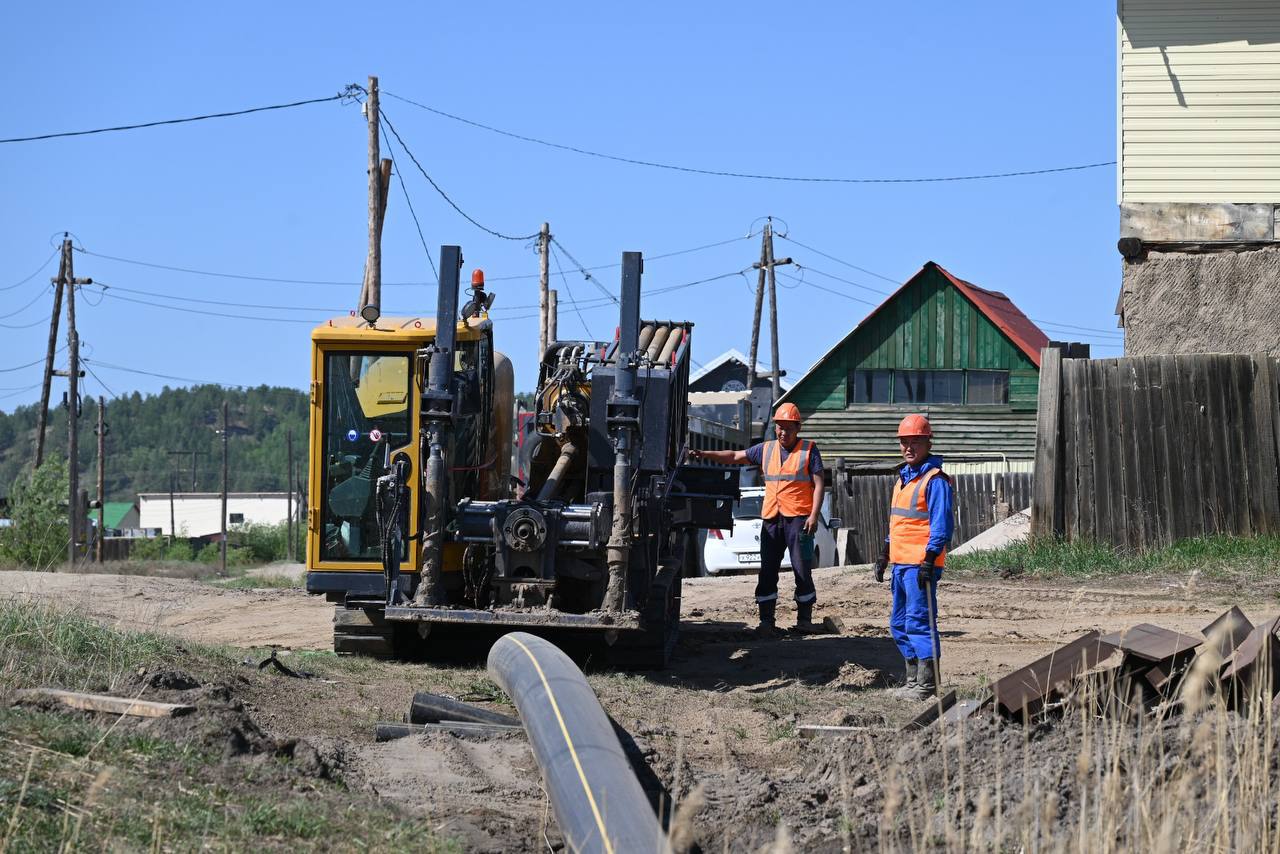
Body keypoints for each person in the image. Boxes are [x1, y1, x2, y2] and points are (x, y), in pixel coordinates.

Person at [689, 402, 825, 635]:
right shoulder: (766, 449)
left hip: (799, 520)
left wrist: (814, 515)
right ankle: (766, 621)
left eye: (788, 428)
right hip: (772, 518)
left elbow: (820, 483)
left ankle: (804, 620)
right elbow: (734, 456)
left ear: (797, 428)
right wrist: (703, 454)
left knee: (802, 569)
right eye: (779, 427)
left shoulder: (809, 450)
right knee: (767, 569)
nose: (783, 432)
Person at [873, 414, 954, 701]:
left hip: (920, 565)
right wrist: (885, 554)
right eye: (904, 442)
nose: (908, 447)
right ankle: (912, 679)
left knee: (919, 622)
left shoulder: (936, 480)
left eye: (915, 442)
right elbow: (898, 524)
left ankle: (927, 685)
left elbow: (942, 526)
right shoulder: (903, 480)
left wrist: (930, 560)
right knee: (898, 624)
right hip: (900, 563)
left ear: (927, 442)